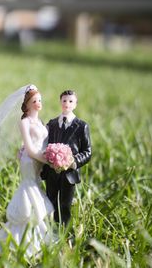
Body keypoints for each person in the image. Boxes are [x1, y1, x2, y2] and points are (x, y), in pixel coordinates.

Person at [0, 84, 54, 256]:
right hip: (30, 160)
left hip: (39, 161)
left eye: (40, 100)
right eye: (35, 101)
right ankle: (25, 234)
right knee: (30, 188)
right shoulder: (25, 122)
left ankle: (37, 235)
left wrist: (51, 155)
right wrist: (46, 159)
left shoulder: (41, 122)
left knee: (37, 186)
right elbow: (29, 147)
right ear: (27, 104)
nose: (38, 103)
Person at [41, 90, 92, 226]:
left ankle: (63, 230)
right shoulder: (51, 124)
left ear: (75, 104)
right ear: (60, 102)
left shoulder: (81, 126)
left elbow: (87, 151)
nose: (67, 104)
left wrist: (73, 162)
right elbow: (44, 144)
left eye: (70, 101)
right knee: (50, 200)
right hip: (52, 171)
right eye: (64, 101)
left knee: (65, 204)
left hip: (69, 173)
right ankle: (49, 228)